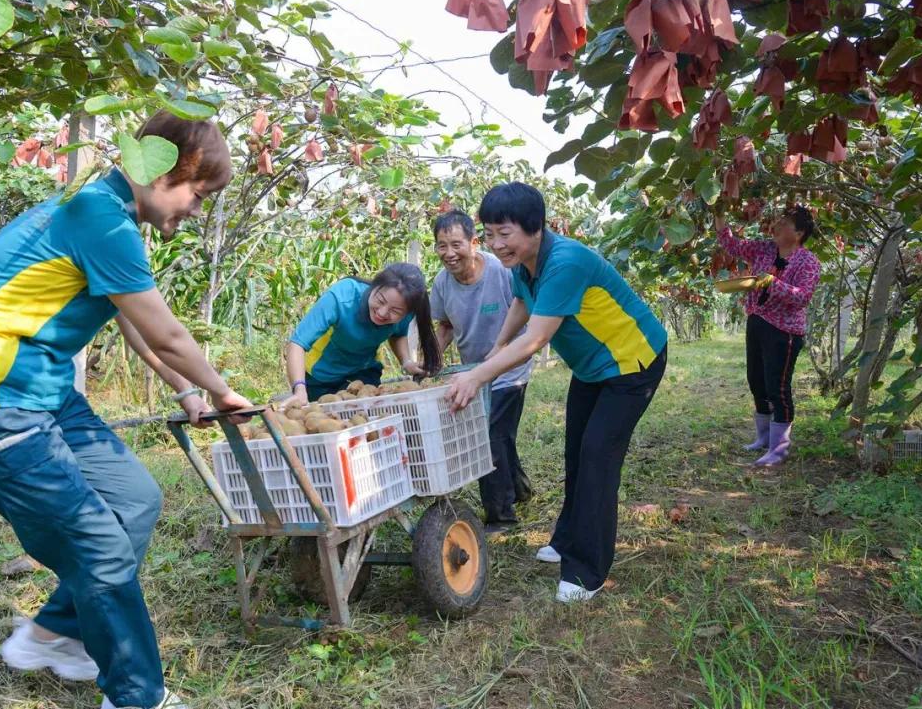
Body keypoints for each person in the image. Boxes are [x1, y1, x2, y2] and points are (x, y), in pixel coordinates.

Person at [0, 111, 251, 709]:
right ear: (162, 170)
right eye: (197, 196)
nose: (195, 212)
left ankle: (53, 634)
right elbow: (170, 334)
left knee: (135, 500)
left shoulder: (108, 214)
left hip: (44, 389)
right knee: (99, 546)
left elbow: (135, 327)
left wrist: (188, 393)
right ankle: (136, 696)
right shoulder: (102, 219)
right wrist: (224, 390)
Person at [446, 183, 668, 604]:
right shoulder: (523, 263)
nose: (495, 244)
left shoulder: (565, 261)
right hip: (592, 368)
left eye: (504, 233)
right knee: (575, 451)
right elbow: (521, 303)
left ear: (535, 227)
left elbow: (534, 340)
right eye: (489, 234)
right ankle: (568, 539)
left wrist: (478, 377)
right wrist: (492, 353)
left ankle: (587, 572)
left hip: (632, 363)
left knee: (598, 457)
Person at [430, 210, 533, 533]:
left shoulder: (501, 272)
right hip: (473, 370)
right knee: (500, 435)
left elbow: (524, 306)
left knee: (490, 436)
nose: (449, 253)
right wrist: (432, 359)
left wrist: (505, 351)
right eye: (441, 246)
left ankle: (501, 515)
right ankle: (518, 489)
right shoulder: (443, 283)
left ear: (474, 243)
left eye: (456, 244)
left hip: (509, 368)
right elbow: (444, 325)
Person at [715, 205, 820, 467]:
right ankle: (763, 438)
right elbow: (731, 245)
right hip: (757, 322)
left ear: (798, 233)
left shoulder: (808, 262)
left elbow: (802, 297)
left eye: (784, 224)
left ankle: (780, 448)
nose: (776, 226)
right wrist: (719, 213)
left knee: (778, 388)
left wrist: (771, 282)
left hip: (784, 331)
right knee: (756, 382)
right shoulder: (764, 249)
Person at [284, 263, 442, 405]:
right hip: (320, 376)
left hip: (363, 373)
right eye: (380, 301)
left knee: (367, 418)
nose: (382, 313)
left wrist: (406, 362)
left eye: (395, 311)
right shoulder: (342, 297)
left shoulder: (406, 310)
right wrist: (299, 389)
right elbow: (297, 344)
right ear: (374, 286)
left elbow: (398, 333)